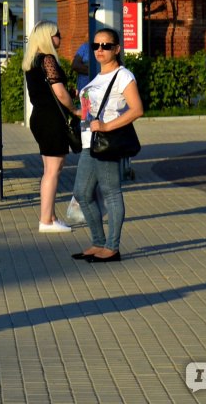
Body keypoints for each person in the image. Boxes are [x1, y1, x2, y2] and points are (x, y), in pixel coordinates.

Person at [73, 27, 144, 263]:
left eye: (106, 46)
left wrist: (105, 127)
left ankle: (112, 247)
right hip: (88, 142)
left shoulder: (123, 75)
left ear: (117, 49)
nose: (100, 50)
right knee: (82, 193)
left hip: (106, 142)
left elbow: (137, 109)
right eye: (96, 46)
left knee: (111, 192)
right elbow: (89, 111)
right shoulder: (98, 76)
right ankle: (98, 242)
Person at [23, 21, 77, 232]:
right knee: (53, 170)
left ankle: (51, 216)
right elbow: (60, 92)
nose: (60, 38)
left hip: (40, 117)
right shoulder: (48, 60)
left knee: (50, 169)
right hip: (52, 119)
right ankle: (46, 221)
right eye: (58, 34)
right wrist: (74, 109)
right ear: (48, 37)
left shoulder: (32, 61)